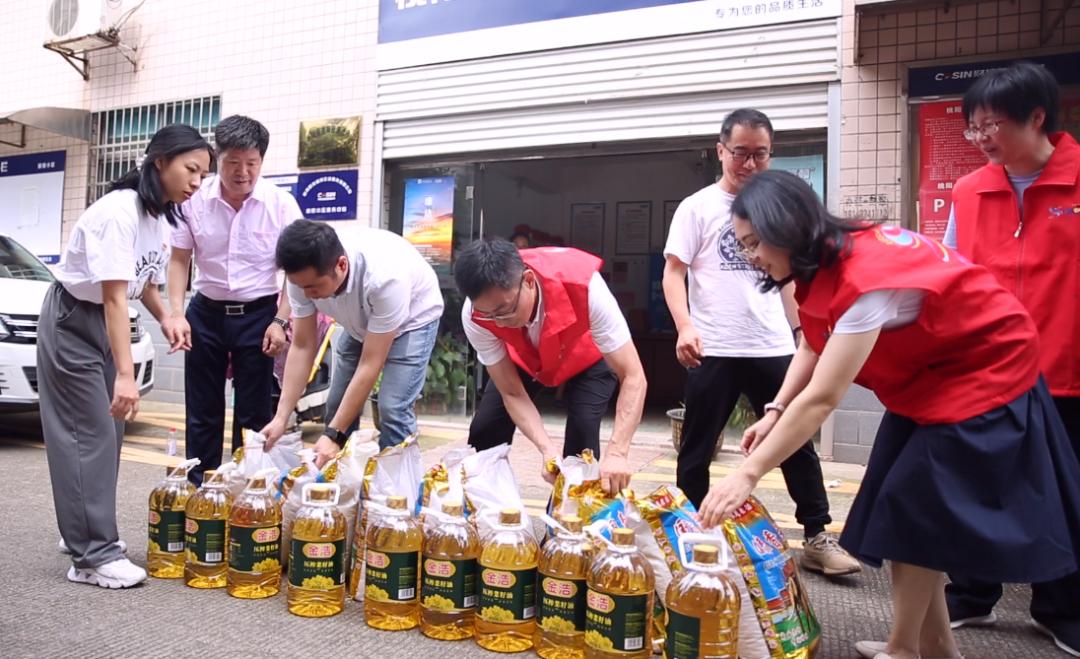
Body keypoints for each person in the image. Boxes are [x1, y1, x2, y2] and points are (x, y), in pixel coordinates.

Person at [698, 170, 1080, 659]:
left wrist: (747, 474)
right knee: (906, 511)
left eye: (754, 244)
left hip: (987, 373)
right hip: (931, 379)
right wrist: (774, 410)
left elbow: (823, 397)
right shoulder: (828, 256)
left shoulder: (866, 277)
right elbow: (815, 342)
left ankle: (907, 648)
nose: (751, 256)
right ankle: (933, 646)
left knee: (911, 509)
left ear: (785, 229)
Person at [662, 108, 858, 575]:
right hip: (714, 346)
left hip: (773, 345)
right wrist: (685, 327)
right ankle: (694, 534)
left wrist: (802, 332)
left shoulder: (780, 211)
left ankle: (816, 535)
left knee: (795, 440)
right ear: (721, 151)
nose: (749, 164)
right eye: (740, 153)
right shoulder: (697, 206)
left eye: (761, 155)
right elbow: (674, 272)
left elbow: (794, 279)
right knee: (697, 445)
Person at [942, 61, 1080, 656]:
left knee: (1066, 496)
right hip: (987, 373)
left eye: (991, 126)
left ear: (1038, 117)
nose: (981, 140)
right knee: (979, 487)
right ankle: (972, 595)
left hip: (1068, 371)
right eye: (973, 128)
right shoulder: (972, 190)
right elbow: (948, 272)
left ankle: (1061, 608)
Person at [39, 124, 213, 588]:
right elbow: (115, 298)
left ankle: (80, 527)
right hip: (74, 318)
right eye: (191, 169)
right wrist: (125, 374)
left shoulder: (157, 215)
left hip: (102, 320)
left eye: (202, 174)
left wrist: (170, 316)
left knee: (108, 434)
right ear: (161, 161)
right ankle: (93, 556)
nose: (197, 182)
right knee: (87, 434)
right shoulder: (119, 212)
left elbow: (145, 286)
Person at [162, 115, 303, 485]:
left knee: (254, 413)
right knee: (203, 410)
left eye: (251, 164)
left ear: (261, 161)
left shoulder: (281, 205)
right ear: (217, 159)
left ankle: (249, 492)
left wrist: (281, 320)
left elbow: (295, 272)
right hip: (205, 312)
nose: (242, 172)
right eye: (232, 163)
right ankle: (202, 491)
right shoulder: (193, 201)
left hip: (260, 314)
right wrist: (176, 312)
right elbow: (179, 260)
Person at [454, 239, 647, 495]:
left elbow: (633, 376)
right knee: (485, 428)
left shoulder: (585, 286)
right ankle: (487, 516)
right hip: (525, 357)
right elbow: (511, 393)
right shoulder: (476, 315)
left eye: (505, 310)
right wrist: (546, 448)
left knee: (583, 435)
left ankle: (571, 526)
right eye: (489, 315)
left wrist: (618, 453)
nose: (498, 323)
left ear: (529, 281)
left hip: (586, 354)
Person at [261, 222, 443, 465]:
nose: (307, 295)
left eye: (313, 287)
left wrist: (334, 434)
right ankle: (342, 484)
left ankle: (398, 492)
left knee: (393, 409)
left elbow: (370, 364)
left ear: (341, 265)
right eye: (301, 287)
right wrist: (281, 418)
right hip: (359, 320)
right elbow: (303, 346)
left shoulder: (384, 278)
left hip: (413, 319)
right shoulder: (302, 279)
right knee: (336, 407)